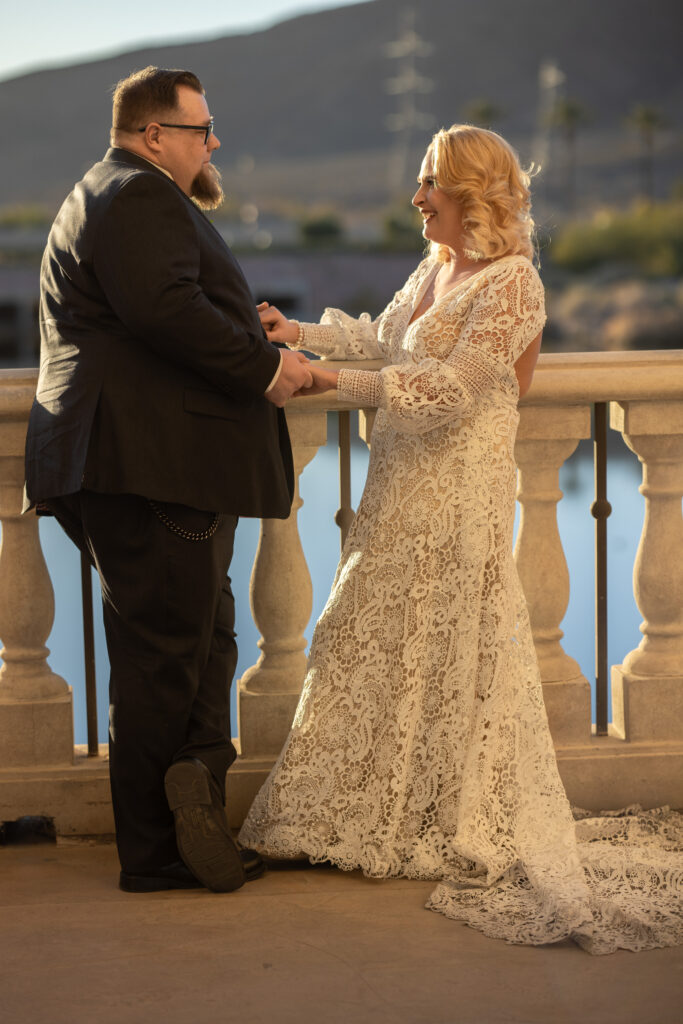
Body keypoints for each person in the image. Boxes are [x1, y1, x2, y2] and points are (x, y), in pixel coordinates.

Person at [240, 125, 683, 954]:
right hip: (396, 487)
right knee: (362, 638)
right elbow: (391, 340)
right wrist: (299, 333)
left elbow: (451, 388)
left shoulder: (514, 284)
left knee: (444, 647)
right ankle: (357, 814)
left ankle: (429, 819)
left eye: (428, 186)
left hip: (455, 496)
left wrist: (325, 380)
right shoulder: (439, 267)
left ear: (471, 192)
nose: (416, 201)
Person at [24, 66, 312, 894]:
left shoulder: (103, 192)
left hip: (128, 459)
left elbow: (151, 311)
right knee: (163, 658)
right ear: (155, 135)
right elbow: (164, 309)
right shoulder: (141, 194)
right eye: (200, 128)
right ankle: (155, 850)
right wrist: (266, 367)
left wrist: (239, 327)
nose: (213, 142)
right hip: (149, 464)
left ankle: (195, 804)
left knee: (199, 640)